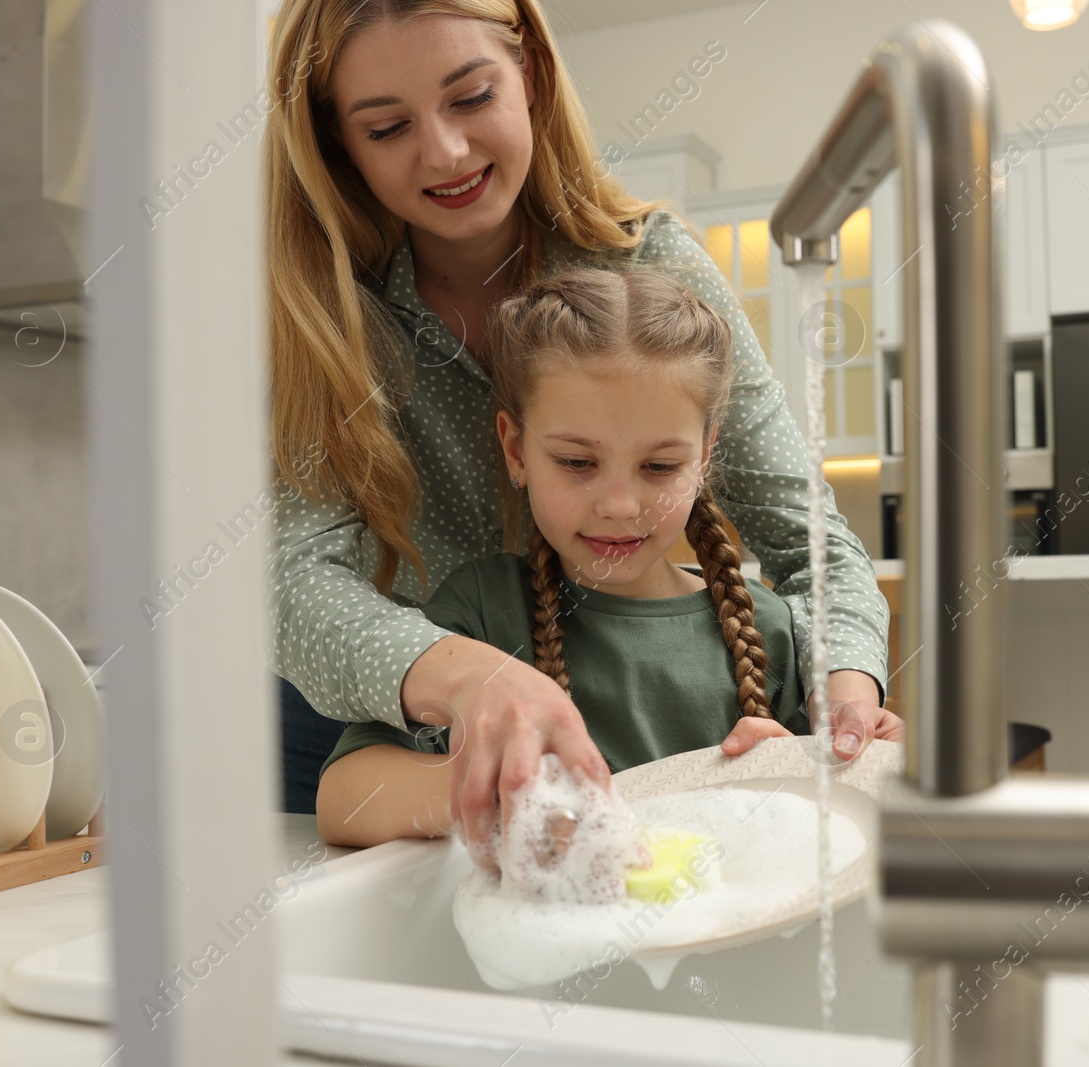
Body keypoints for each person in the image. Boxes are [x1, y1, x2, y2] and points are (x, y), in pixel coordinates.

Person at [264, 0, 896, 862]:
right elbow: (294, 579)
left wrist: (845, 692)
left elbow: (803, 529)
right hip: (377, 733)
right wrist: (471, 680)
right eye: (386, 127)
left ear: (529, 75)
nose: (444, 151)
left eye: (470, 96)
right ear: (338, 142)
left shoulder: (651, 268)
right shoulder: (320, 318)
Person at [313, 268, 902, 857]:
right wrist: (498, 790)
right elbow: (343, 800)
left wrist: (829, 769)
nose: (620, 507)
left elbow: (828, 842)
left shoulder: (769, 627)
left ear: (704, 457)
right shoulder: (481, 613)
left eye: (659, 467)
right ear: (516, 450)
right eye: (576, 462)